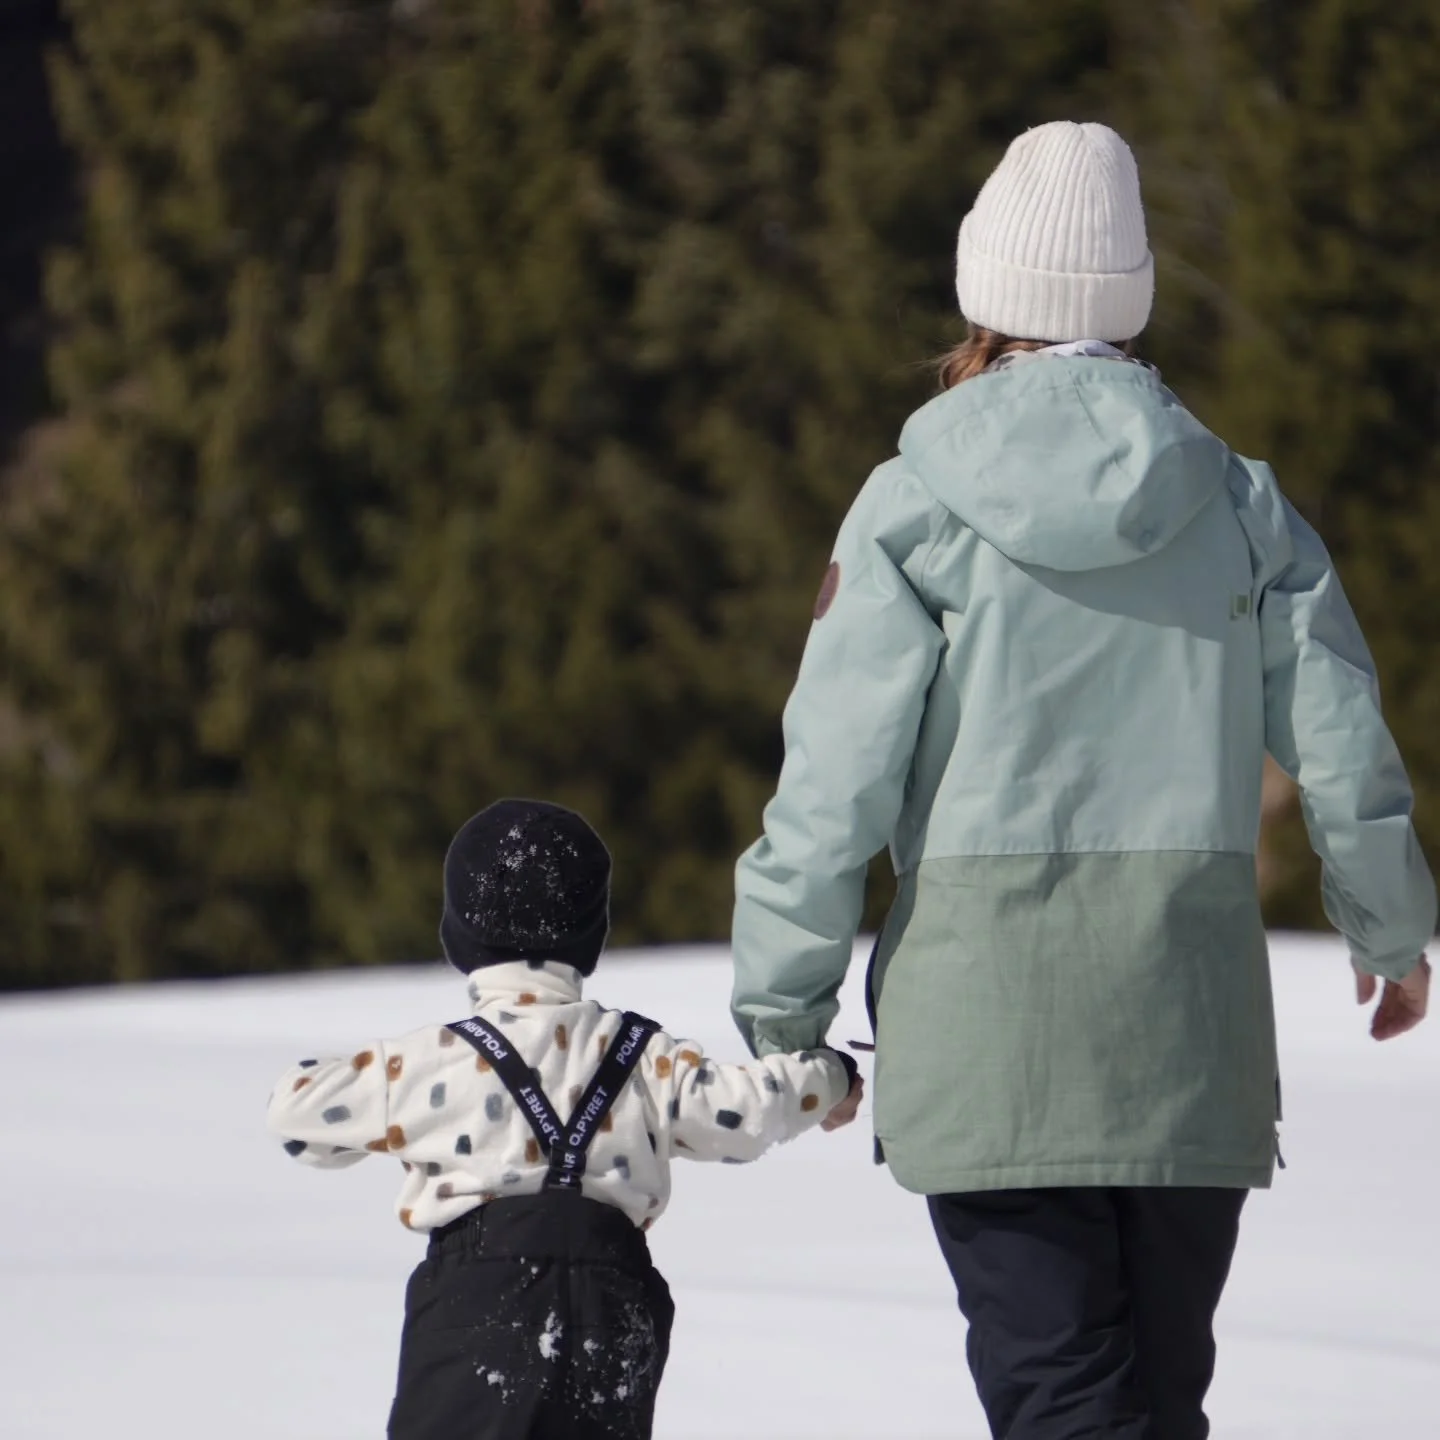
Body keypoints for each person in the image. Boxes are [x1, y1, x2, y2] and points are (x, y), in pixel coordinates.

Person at [730, 120, 1435, 1440]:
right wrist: (1392, 935)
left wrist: (784, 1012)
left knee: (1061, 1404)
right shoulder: (1235, 502)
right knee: (1158, 1408)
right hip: (1186, 1034)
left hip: (985, 1028)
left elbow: (832, 781)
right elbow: (1344, 741)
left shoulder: (911, 504)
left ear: (982, 291)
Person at [268, 798, 862, 1440]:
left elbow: (296, 1113)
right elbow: (749, 1109)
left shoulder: (433, 1062)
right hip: (611, 1305)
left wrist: (370, 1115)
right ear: (592, 936)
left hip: (474, 1300)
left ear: (458, 936)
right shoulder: (644, 1056)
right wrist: (831, 1078)